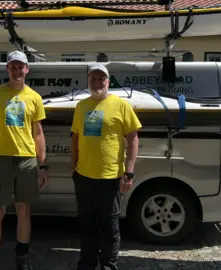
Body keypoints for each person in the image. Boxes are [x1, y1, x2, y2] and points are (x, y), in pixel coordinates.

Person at [0, 50, 49, 270]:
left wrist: (43, 164)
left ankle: (22, 255)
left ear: (27, 69)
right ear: (7, 69)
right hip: (1, 161)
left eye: (21, 66)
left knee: (23, 210)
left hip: (27, 160)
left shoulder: (34, 97)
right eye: (13, 66)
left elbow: (38, 133)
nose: (17, 70)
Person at [70, 64, 142, 270]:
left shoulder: (120, 105)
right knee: (87, 226)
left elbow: (133, 137)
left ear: (108, 82)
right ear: (88, 81)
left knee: (110, 229)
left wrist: (129, 171)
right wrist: (73, 166)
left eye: (101, 78)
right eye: (93, 78)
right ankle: (87, 264)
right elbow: (75, 137)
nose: (97, 82)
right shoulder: (81, 106)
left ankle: (108, 266)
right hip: (83, 177)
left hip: (110, 177)